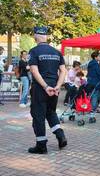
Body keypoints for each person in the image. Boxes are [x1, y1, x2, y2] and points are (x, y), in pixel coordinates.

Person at [28, 26, 67, 154]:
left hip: (41, 88)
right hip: (54, 87)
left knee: (38, 115)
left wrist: (45, 86)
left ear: (36, 36)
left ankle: (41, 145)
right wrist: (57, 86)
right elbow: (63, 71)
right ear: (46, 36)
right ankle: (60, 135)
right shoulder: (56, 52)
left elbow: (34, 70)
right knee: (51, 112)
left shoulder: (34, 51)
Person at [86, 51, 100, 123]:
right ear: (96, 57)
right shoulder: (96, 64)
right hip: (96, 82)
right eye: (99, 56)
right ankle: (92, 111)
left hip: (90, 82)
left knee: (92, 95)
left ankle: (90, 108)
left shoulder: (90, 63)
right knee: (95, 96)